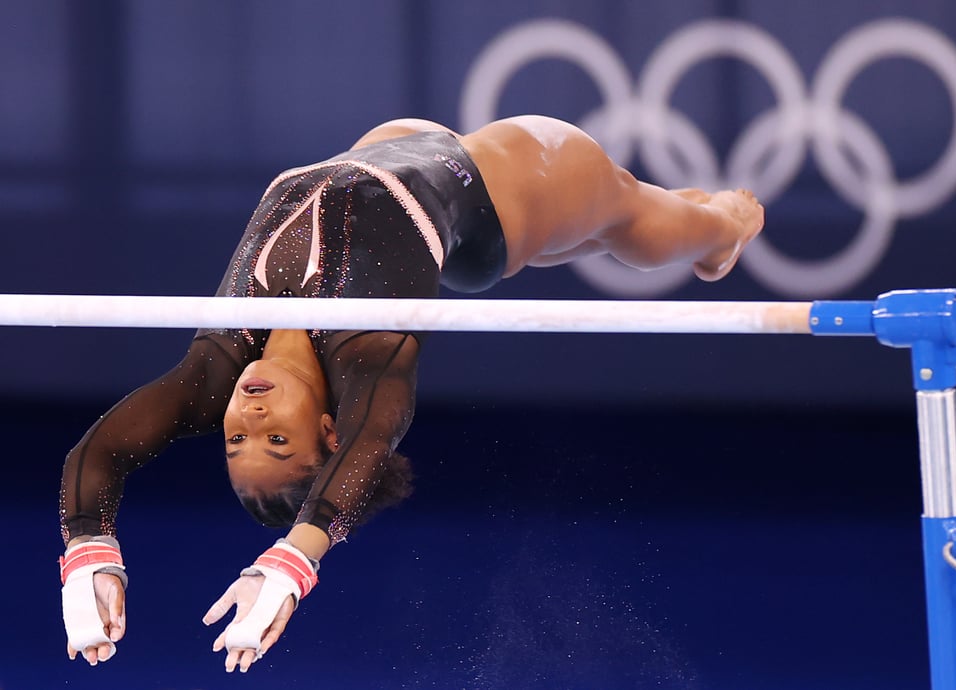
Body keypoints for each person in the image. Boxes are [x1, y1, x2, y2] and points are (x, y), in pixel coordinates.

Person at [58, 115, 764, 673]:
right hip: (495, 196)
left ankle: (674, 223)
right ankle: (720, 233)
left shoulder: (216, 366)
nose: (251, 414)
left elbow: (103, 451)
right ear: (329, 431)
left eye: (238, 438)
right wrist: (293, 562)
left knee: (589, 226)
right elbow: (378, 436)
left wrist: (88, 548)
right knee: (632, 212)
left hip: (392, 154)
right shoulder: (367, 349)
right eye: (279, 439)